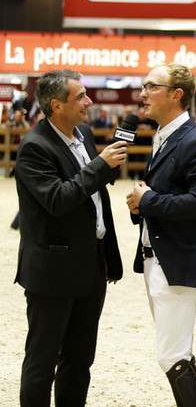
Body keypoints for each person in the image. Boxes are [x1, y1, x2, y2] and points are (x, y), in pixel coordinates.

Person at [14, 69, 127, 407]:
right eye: (80, 97)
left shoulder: (84, 134)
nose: (88, 102)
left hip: (90, 265)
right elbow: (58, 199)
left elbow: (95, 198)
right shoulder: (34, 147)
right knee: (42, 361)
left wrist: (108, 256)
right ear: (55, 105)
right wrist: (100, 166)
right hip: (52, 271)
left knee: (79, 360)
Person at [125, 63, 196, 407]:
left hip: (178, 261)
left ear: (176, 95)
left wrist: (150, 200)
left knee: (172, 354)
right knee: (176, 351)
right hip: (158, 258)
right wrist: (143, 206)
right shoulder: (165, 136)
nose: (143, 93)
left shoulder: (194, 141)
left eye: (151, 86)